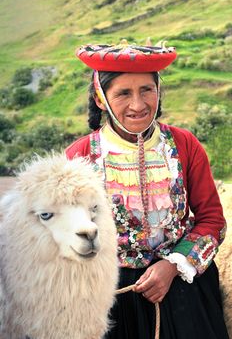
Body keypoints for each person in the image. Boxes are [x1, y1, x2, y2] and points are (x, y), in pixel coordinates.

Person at [66, 41, 229, 339]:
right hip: (112, 293)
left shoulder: (184, 145)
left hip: (182, 283)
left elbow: (212, 221)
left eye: (147, 90)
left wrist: (172, 265)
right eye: (123, 93)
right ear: (101, 99)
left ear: (159, 91)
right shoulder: (79, 157)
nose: (138, 104)